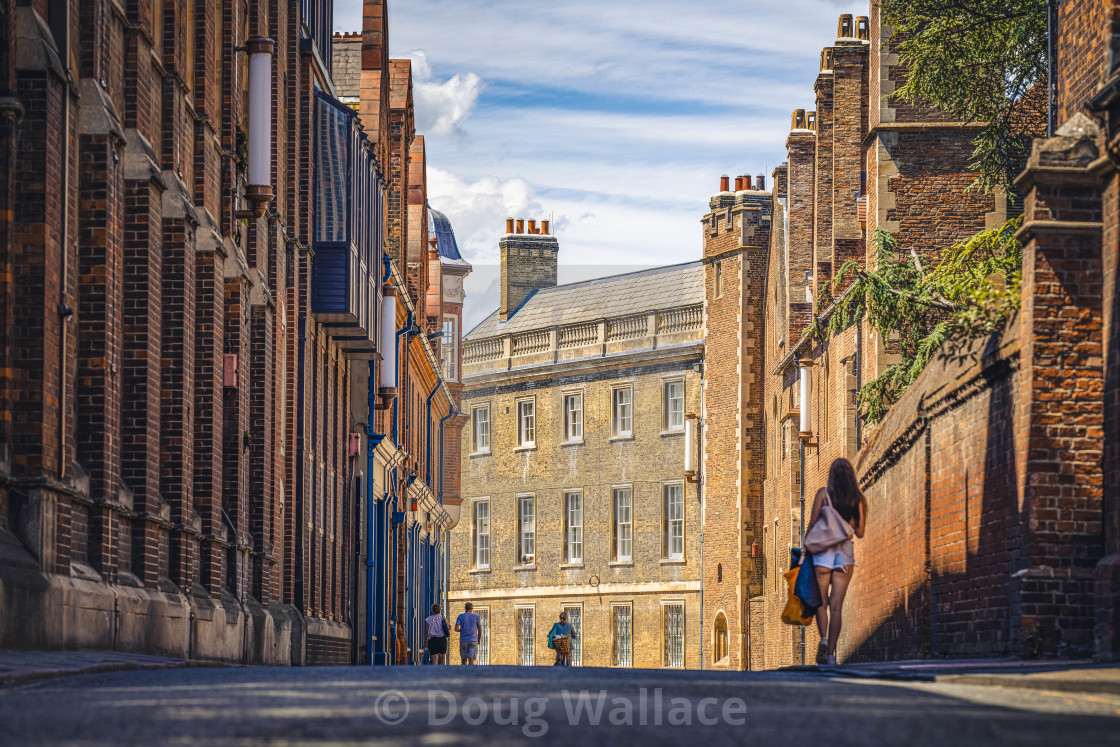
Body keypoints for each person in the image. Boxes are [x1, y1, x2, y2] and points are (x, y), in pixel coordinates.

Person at [808, 457, 868, 667]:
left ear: (832, 476)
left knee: (821, 603)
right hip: (844, 555)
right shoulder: (858, 499)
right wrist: (846, 527)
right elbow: (860, 532)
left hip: (823, 554)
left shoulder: (823, 494)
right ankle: (831, 654)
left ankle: (823, 639)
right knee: (836, 607)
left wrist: (807, 549)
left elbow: (812, 525)